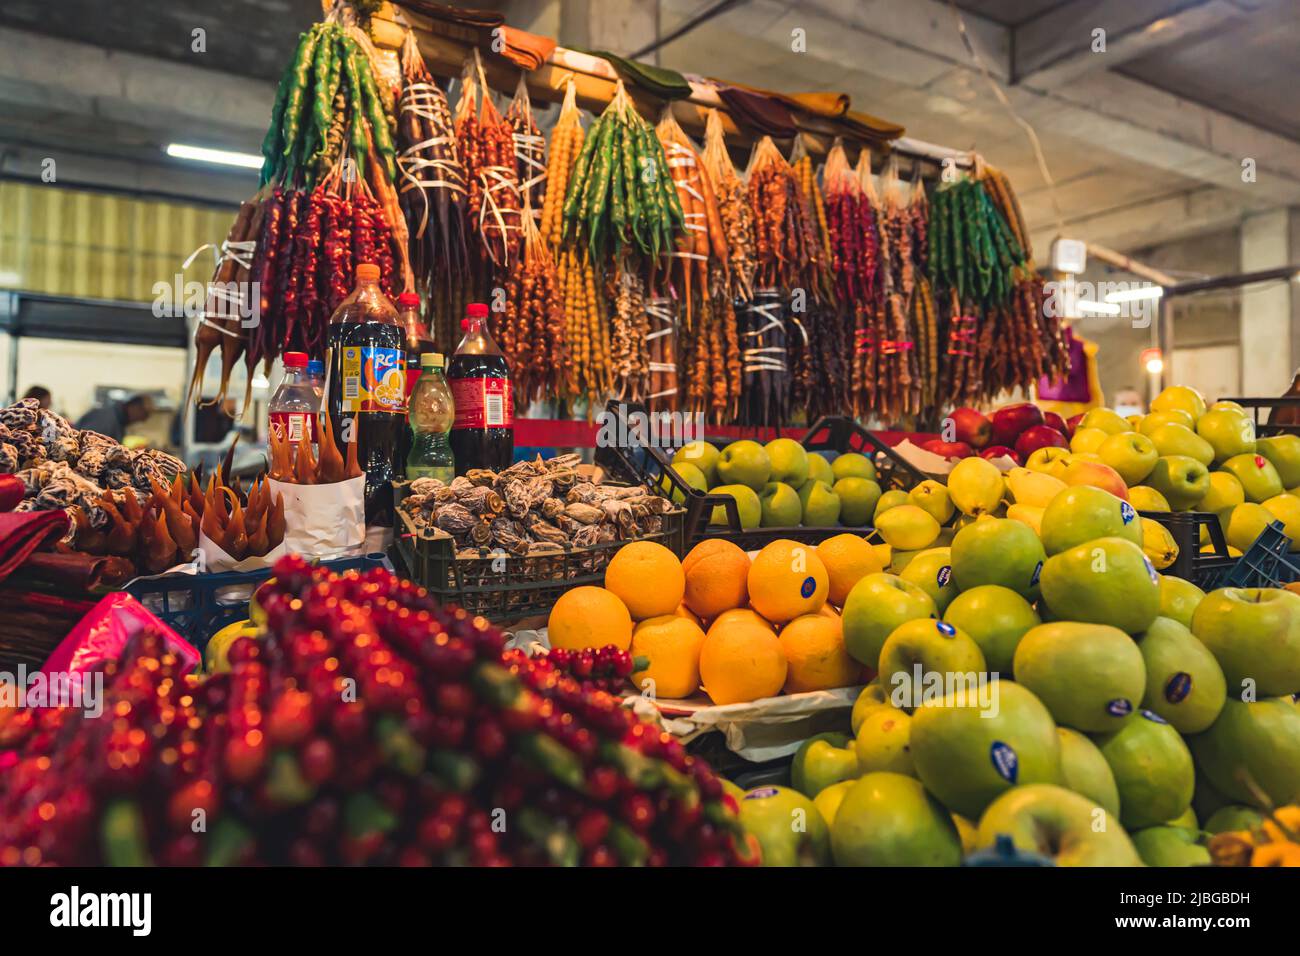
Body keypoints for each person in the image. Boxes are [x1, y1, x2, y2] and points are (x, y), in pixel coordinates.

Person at [75, 394, 154, 442]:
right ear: (135, 407)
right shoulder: (105, 419)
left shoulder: (118, 419)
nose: (143, 420)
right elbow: (87, 445)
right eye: (145, 415)